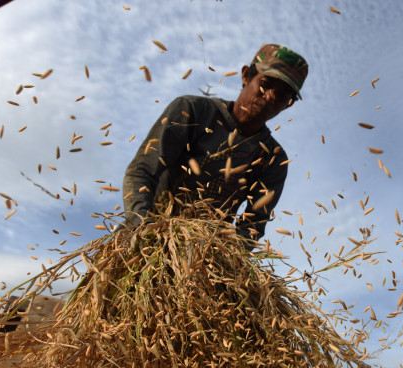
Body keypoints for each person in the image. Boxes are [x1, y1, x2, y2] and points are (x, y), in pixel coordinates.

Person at [121, 43, 309, 244]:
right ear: (246, 75)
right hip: (153, 228)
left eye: (282, 96)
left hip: (206, 252)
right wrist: (145, 228)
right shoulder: (192, 111)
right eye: (265, 84)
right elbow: (141, 172)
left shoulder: (273, 158)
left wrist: (227, 260)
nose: (269, 97)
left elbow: (252, 226)